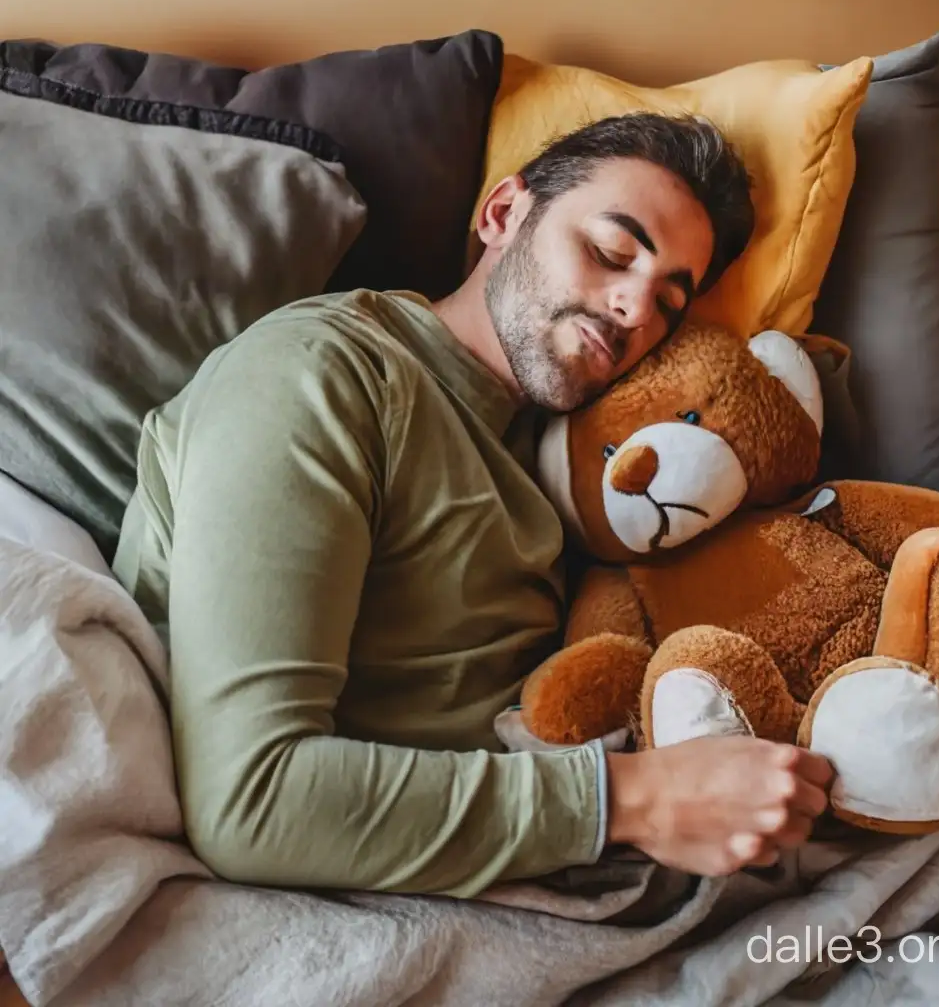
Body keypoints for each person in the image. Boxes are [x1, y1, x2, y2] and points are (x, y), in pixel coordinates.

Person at [112, 111, 834, 900]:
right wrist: (635, 799)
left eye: (669, 301)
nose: (633, 309)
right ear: (502, 214)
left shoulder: (562, 462)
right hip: (363, 885)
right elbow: (252, 801)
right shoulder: (320, 377)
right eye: (610, 252)